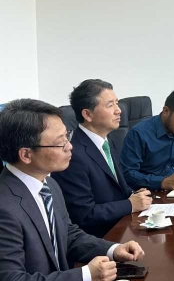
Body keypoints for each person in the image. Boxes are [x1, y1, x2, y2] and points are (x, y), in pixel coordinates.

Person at [0, 99, 145, 281]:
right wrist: (85, 276)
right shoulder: (4, 207)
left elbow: (68, 234)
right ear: (26, 154)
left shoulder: (49, 185)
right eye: (60, 142)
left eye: (67, 136)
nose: (70, 147)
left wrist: (112, 249)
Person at [51, 80, 152, 238]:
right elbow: (84, 215)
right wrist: (130, 204)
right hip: (100, 239)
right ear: (88, 114)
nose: (119, 111)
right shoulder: (73, 155)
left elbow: (118, 189)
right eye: (110, 105)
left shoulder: (106, 140)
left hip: (121, 227)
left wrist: (136, 194)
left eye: (117, 103)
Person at [121, 89, 174, 191]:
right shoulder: (138, 134)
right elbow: (128, 174)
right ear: (166, 111)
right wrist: (162, 181)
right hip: (145, 192)